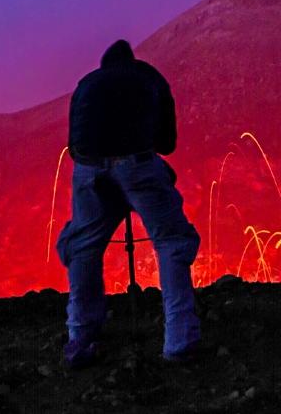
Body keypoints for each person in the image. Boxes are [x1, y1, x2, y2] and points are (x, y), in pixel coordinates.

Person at [56, 39, 202, 367]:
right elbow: (168, 143)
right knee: (172, 240)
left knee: (84, 245)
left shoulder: (86, 85)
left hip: (89, 168)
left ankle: (80, 335)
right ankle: (179, 340)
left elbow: (73, 145)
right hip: (138, 166)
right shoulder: (149, 79)